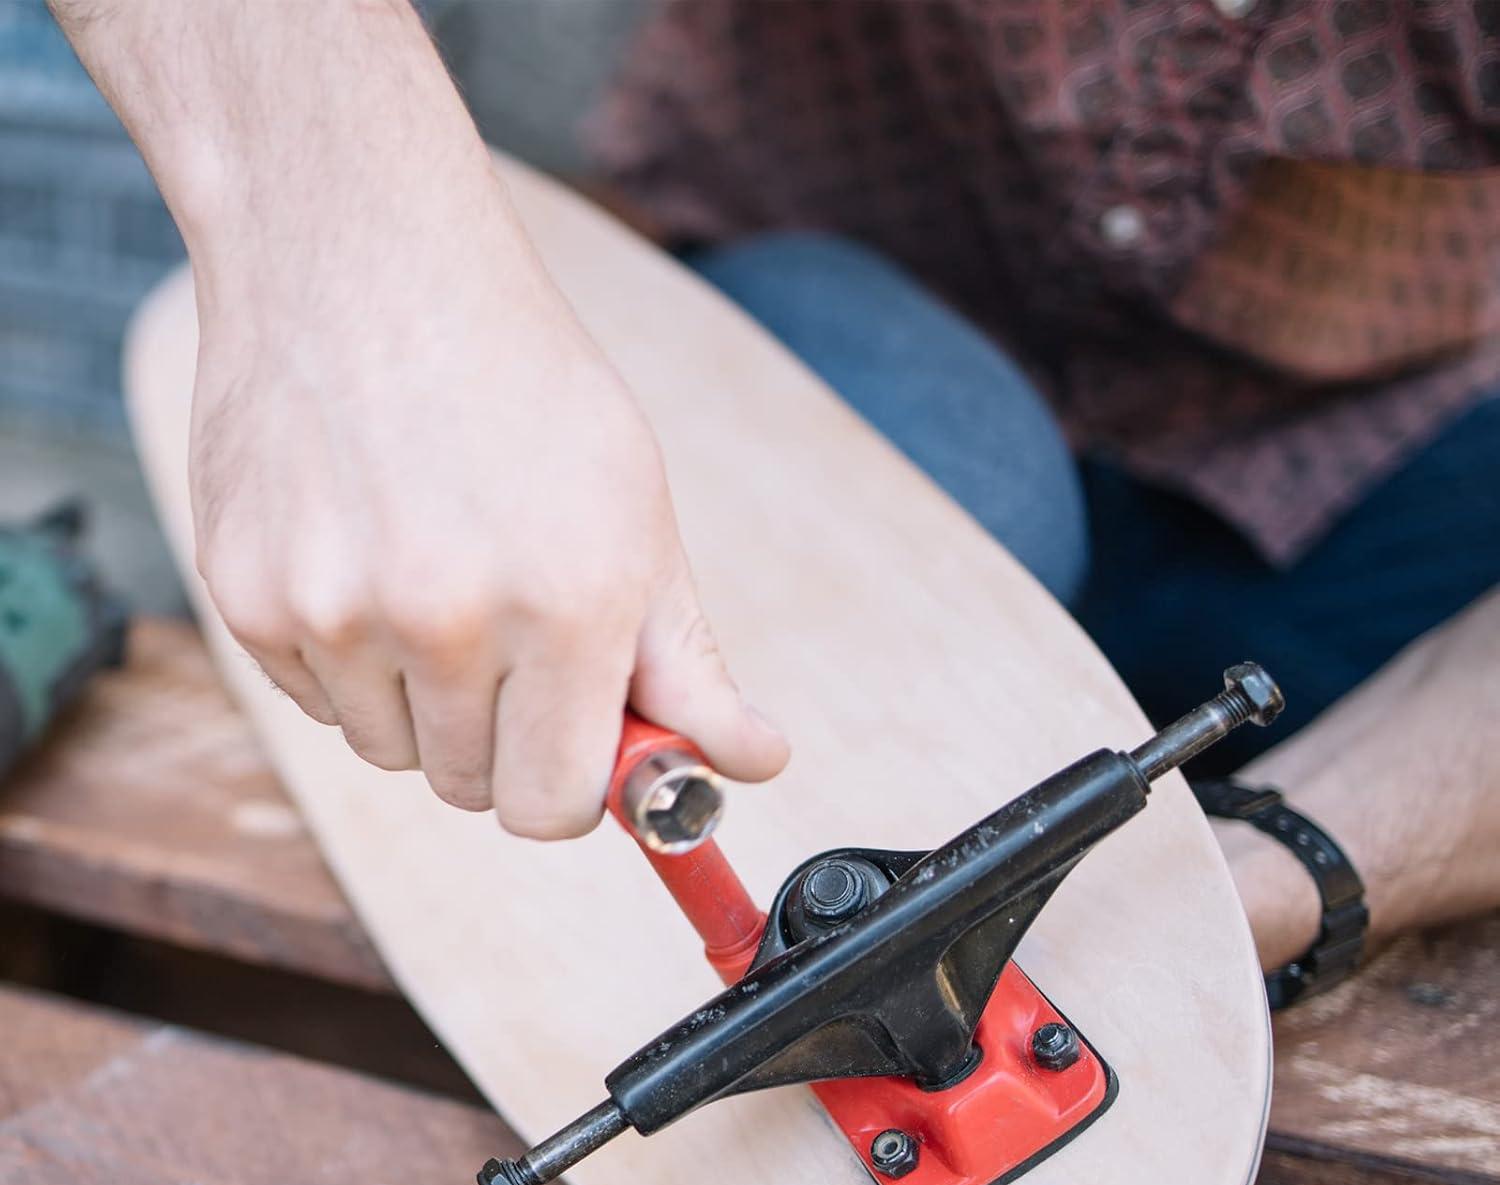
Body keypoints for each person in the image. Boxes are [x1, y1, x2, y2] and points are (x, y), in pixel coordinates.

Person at [53, 0, 1497, 990]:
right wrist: (350, 271)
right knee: (958, 501)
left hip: (1375, 448)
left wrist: (1259, 876)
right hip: (835, 309)